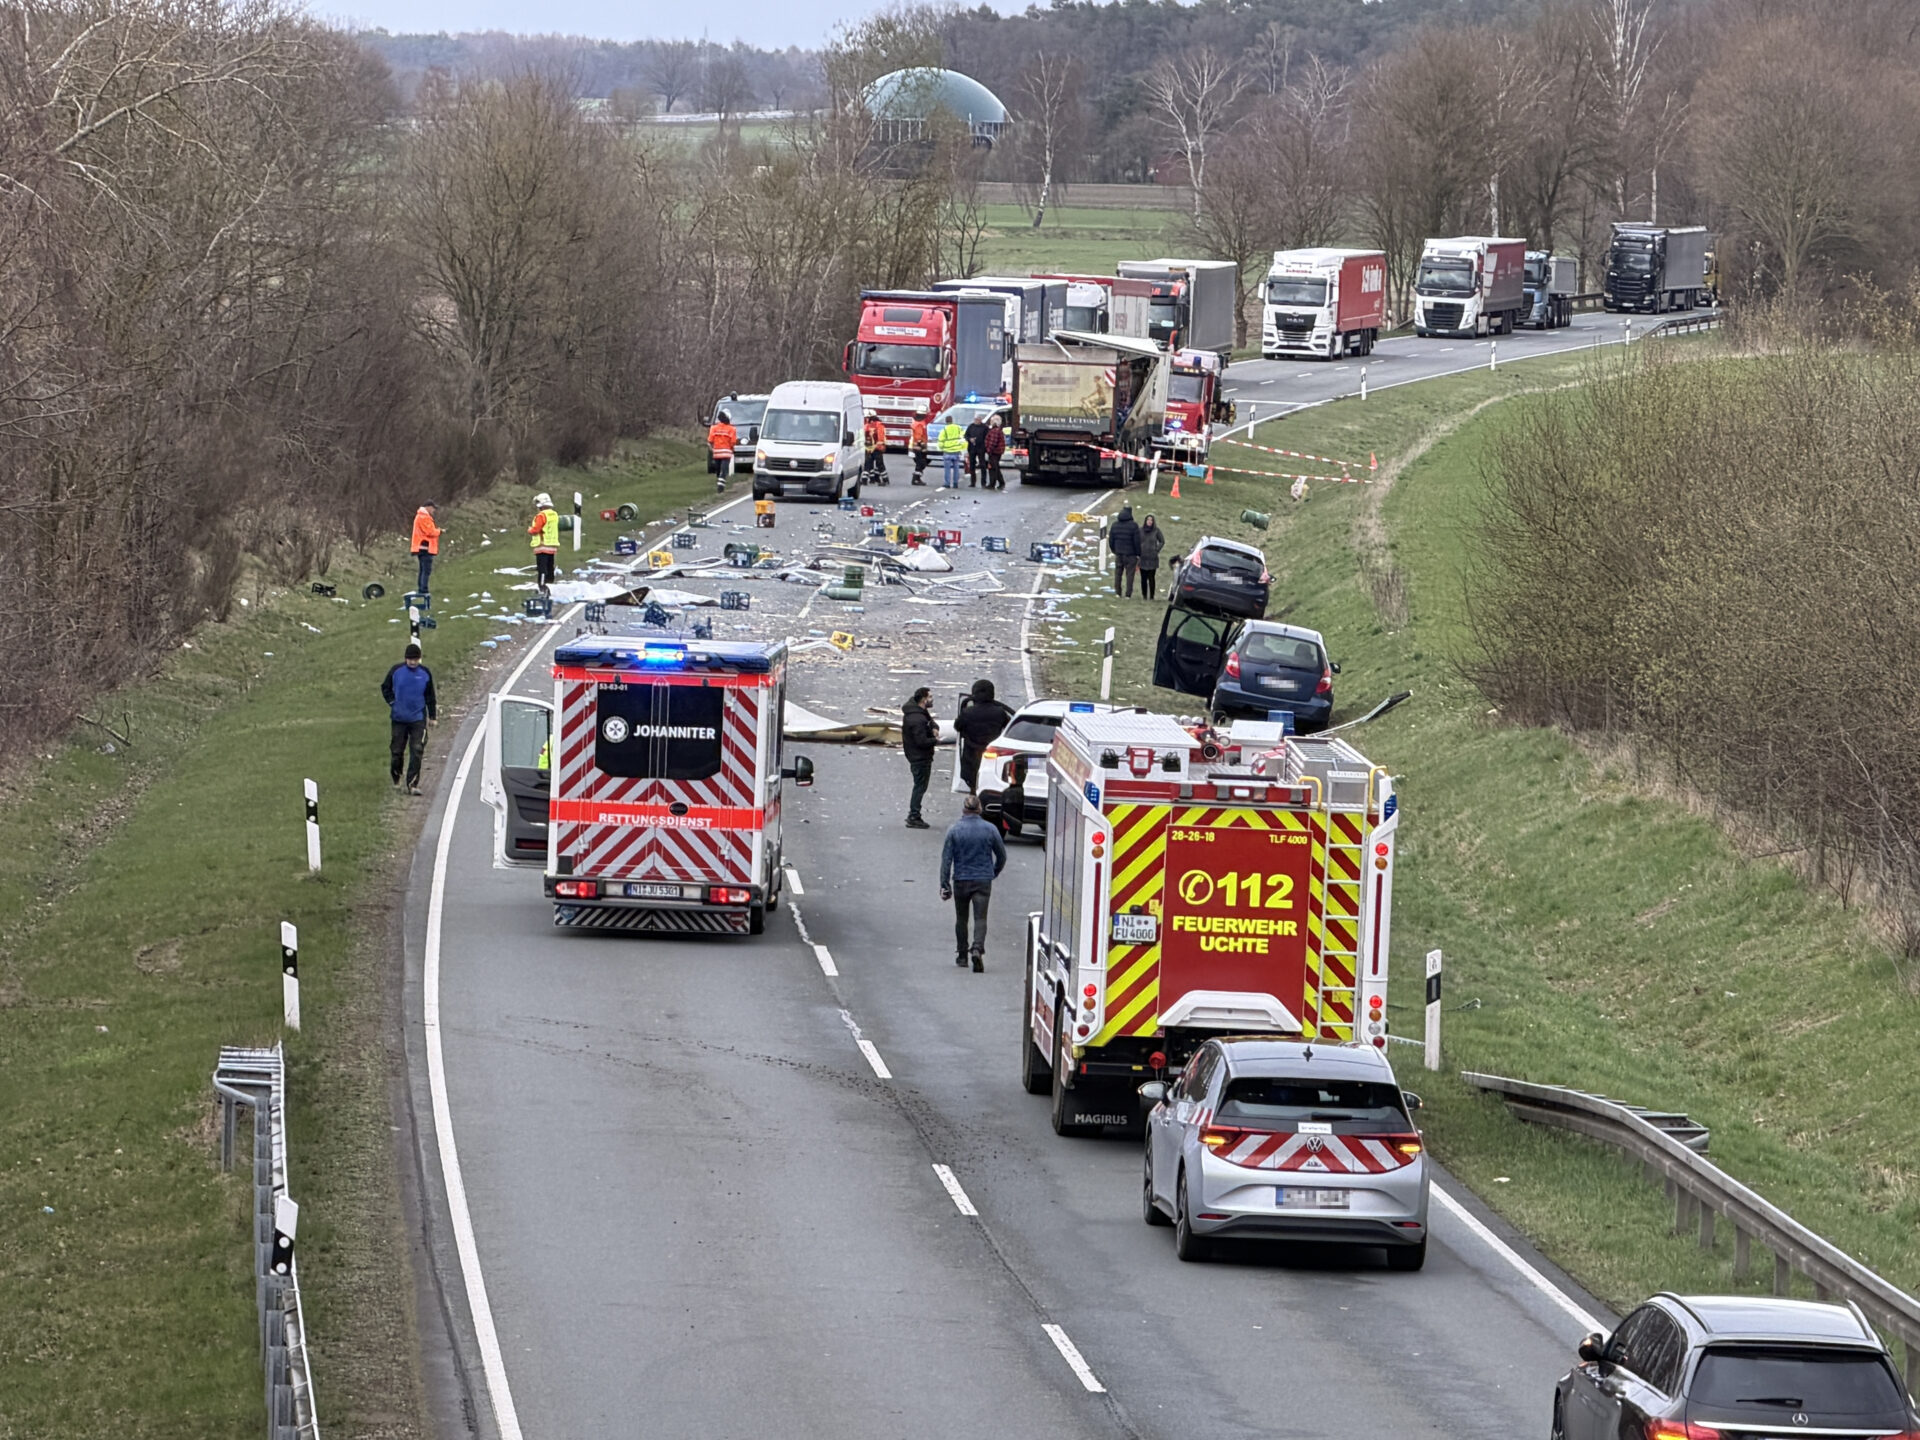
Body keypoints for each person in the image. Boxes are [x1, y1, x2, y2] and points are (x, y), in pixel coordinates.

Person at [940, 794, 1006, 972]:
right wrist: (993, 872)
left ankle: (962, 955)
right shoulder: (990, 829)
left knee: (961, 919)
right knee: (980, 918)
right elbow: (1002, 855)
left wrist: (944, 884)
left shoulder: (954, 830)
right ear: (980, 809)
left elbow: (946, 860)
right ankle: (977, 949)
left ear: (963, 809)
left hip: (961, 879)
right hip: (983, 880)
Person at [381, 642, 437, 794]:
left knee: (417, 749)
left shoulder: (425, 673)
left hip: (418, 718)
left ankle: (412, 784)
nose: (413, 662)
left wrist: (432, 716)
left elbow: (430, 695)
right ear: (406, 659)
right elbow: (385, 687)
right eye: (410, 659)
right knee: (397, 751)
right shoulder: (396, 671)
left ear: (419, 659)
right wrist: (392, 702)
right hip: (399, 718)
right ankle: (396, 777)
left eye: (415, 659)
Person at [954, 677, 1015, 792]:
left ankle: (974, 797)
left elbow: (958, 726)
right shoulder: (999, 712)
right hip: (991, 751)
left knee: (972, 782)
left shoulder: (968, 712)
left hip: (971, 753)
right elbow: (1008, 726)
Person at [902, 686, 937, 829]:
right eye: (930, 697)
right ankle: (914, 815)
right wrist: (936, 740)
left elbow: (931, 721)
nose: (932, 699)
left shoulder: (919, 712)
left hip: (916, 755)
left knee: (920, 785)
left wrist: (934, 727)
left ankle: (914, 814)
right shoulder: (917, 720)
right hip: (920, 757)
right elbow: (921, 741)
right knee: (920, 786)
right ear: (923, 699)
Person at [1107, 505, 1142, 598]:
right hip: (1131, 555)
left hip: (1119, 554)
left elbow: (1111, 540)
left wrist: (1114, 550)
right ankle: (1128, 594)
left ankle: (1118, 592)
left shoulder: (1115, 525)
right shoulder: (1134, 526)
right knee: (1130, 575)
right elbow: (1137, 542)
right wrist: (1138, 554)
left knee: (1118, 573)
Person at [528, 492, 559, 592]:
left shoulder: (541, 516)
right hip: (552, 546)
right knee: (550, 566)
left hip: (542, 546)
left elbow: (536, 530)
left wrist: (530, 530)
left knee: (542, 568)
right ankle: (550, 584)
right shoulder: (554, 515)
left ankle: (542, 586)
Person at [410, 502, 440, 597]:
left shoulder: (420, 516)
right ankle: (423, 589)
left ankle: (421, 588)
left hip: (421, 547)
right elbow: (430, 532)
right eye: (433, 508)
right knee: (426, 570)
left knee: (423, 569)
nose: (434, 510)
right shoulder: (424, 517)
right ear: (428, 507)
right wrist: (439, 531)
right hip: (425, 547)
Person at [707, 412, 738, 493]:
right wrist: (732, 450)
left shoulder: (714, 428)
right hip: (726, 453)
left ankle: (719, 482)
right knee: (724, 470)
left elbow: (710, 441)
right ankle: (721, 487)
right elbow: (733, 442)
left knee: (718, 470)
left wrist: (712, 450)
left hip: (716, 453)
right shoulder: (732, 429)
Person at [1138, 514, 1166, 600]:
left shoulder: (1156, 531)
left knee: (1151, 578)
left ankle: (1152, 596)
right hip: (1143, 557)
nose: (1149, 522)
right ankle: (1144, 595)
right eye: (1148, 520)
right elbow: (1136, 541)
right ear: (1145, 521)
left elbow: (1162, 541)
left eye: (1151, 520)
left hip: (1152, 558)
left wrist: (1156, 549)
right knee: (1143, 578)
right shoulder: (1140, 530)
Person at [938, 415, 966, 488]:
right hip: (956, 451)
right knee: (956, 468)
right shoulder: (958, 428)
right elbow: (963, 438)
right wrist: (962, 448)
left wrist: (941, 448)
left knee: (947, 469)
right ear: (952, 420)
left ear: (946, 421)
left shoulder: (944, 429)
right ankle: (955, 483)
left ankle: (947, 483)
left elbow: (941, 440)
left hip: (947, 451)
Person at [964, 413, 988, 486]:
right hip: (972, 448)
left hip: (981, 448)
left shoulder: (985, 427)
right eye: (975, 420)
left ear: (981, 420)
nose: (976, 421)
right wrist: (969, 439)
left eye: (978, 420)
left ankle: (983, 482)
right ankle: (972, 482)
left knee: (982, 465)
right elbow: (966, 435)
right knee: (972, 465)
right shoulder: (971, 426)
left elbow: (987, 437)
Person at [984, 417, 1006, 490]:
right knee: (994, 467)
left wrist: (988, 451)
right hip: (997, 451)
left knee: (993, 468)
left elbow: (992, 442)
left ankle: (995, 483)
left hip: (994, 452)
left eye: (991, 421)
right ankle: (995, 483)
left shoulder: (994, 431)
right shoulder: (998, 430)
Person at [864, 414, 887, 484]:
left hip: (870, 448)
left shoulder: (867, 426)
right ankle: (883, 479)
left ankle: (869, 479)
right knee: (878, 464)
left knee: (869, 464)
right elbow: (881, 438)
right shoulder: (879, 425)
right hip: (877, 448)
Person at [909, 416, 929, 484]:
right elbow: (919, 437)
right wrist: (923, 445)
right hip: (919, 447)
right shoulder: (920, 425)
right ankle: (916, 479)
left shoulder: (917, 424)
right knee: (921, 463)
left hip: (917, 447)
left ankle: (916, 478)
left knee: (920, 463)